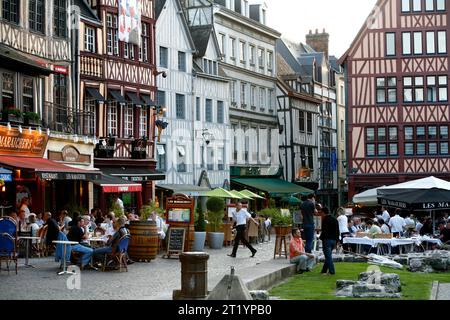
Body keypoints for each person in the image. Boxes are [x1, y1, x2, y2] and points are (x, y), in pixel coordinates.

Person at [319, 207, 339, 275]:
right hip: (333, 240)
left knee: (328, 257)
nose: (321, 214)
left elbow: (324, 231)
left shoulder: (325, 220)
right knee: (328, 256)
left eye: (321, 213)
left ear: (323, 212)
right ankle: (324, 270)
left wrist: (321, 238)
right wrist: (337, 241)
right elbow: (337, 231)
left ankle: (331, 271)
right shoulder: (335, 219)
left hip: (327, 240)